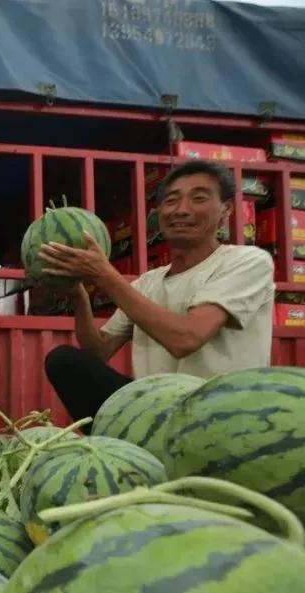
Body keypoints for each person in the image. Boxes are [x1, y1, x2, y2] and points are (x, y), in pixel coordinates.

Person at [42, 159, 275, 424]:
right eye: (171, 200)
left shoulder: (248, 262)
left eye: (198, 198)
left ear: (226, 209)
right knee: (65, 362)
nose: (182, 210)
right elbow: (99, 352)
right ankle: (128, 444)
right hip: (155, 414)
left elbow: (186, 339)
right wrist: (78, 295)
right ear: (160, 211)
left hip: (220, 417)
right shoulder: (148, 282)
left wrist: (104, 274)